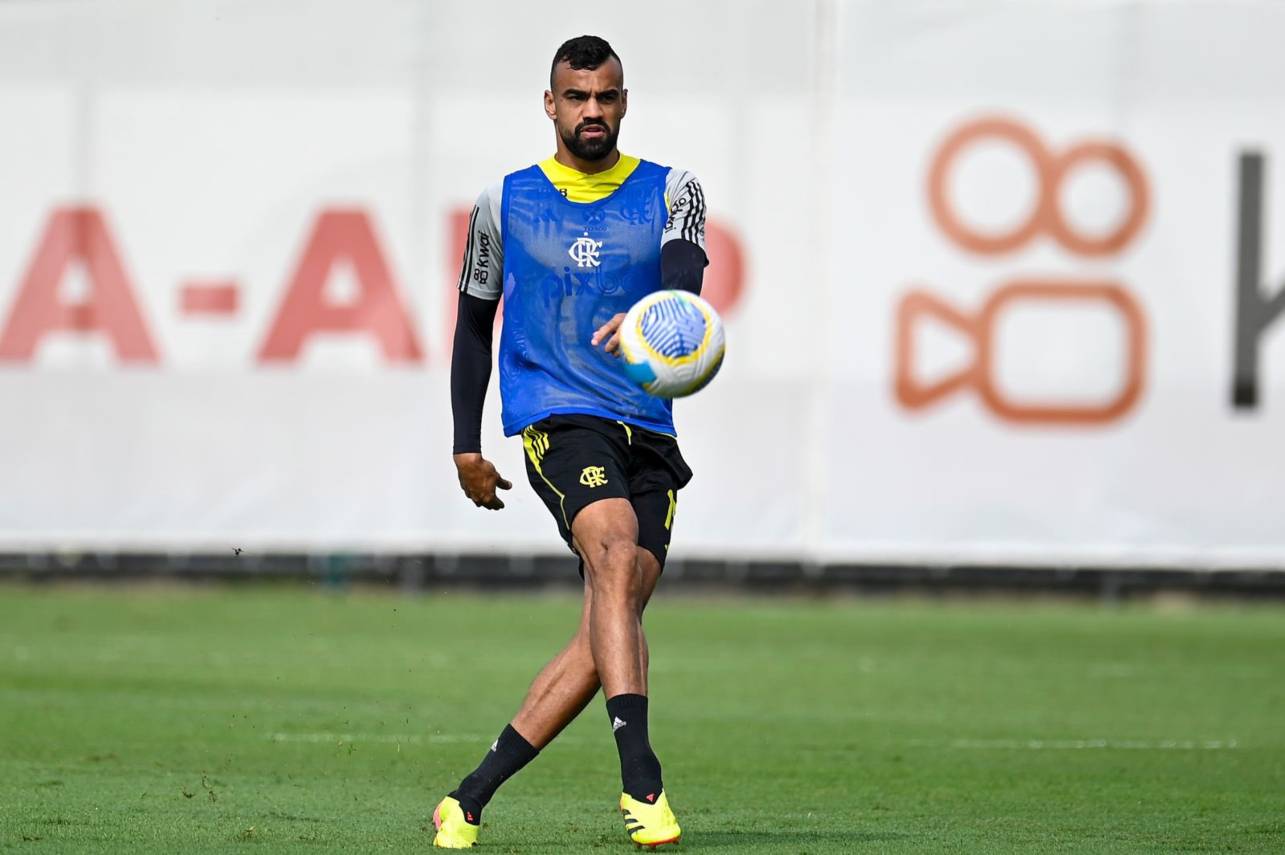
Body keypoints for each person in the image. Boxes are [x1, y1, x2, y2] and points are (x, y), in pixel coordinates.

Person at [432, 34, 707, 850]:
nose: (594, 110)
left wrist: (658, 312)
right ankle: (642, 782)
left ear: (624, 102)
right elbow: (473, 325)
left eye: (608, 96)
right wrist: (464, 443)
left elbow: (685, 276)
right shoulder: (503, 201)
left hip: (647, 426)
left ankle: (468, 796)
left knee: (605, 624)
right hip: (558, 416)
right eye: (577, 97)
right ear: (549, 104)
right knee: (614, 557)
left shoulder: (672, 188)